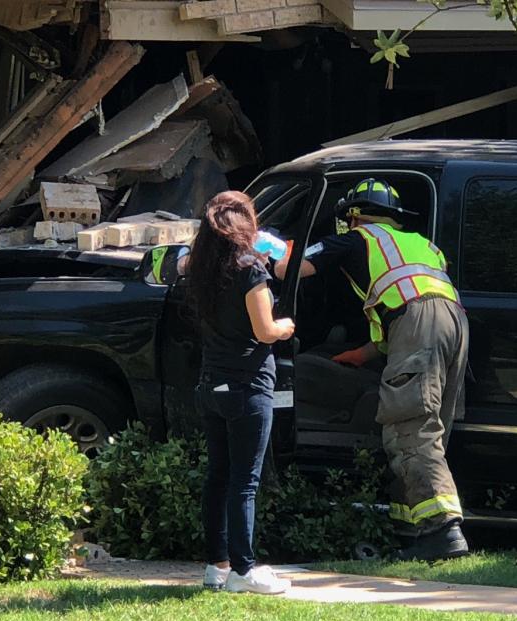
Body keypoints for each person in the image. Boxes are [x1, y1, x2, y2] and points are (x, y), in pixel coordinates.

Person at [274, 178, 470, 561]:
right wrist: (363, 354)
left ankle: (444, 532)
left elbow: (288, 271)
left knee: (409, 426)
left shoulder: (356, 238)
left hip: (417, 325)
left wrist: (285, 250)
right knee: (430, 427)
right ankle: (411, 529)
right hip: (454, 325)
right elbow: (412, 298)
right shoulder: (423, 245)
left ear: (353, 216)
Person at [187, 191, 296, 594]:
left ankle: (217, 567)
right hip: (248, 387)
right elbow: (265, 330)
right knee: (245, 482)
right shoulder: (251, 270)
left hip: (211, 386)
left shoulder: (202, 269)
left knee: (218, 476)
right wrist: (287, 327)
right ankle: (244, 570)